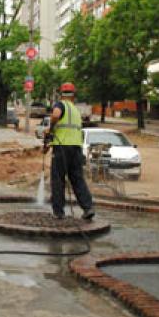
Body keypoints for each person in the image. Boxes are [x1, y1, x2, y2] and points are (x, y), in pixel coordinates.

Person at [44, 82, 95, 220]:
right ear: (73, 95)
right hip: (76, 148)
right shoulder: (75, 110)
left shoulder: (60, 105)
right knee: (77, 178)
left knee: (58, 179)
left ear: (61, 94)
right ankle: (88, 207)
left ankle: (58, 212)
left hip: (62, 148)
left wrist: (51, 128)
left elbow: (55, 115)